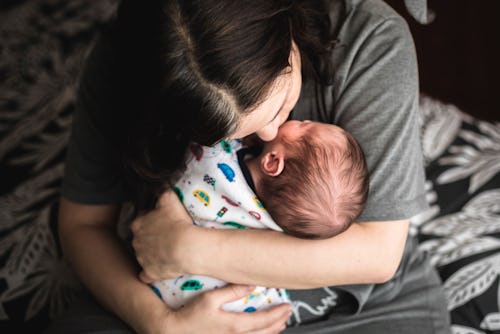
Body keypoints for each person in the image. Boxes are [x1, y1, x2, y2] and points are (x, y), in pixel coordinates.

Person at [50, 0, 451, 333]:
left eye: (279, 106)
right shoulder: (126, 60)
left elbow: (377, 256)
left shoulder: (368, 36)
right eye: (228, 137)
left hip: (355, 312)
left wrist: (183, 248)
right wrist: (160, 323)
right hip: (169, 304)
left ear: (288, 22)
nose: (273, 131)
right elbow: (83, 226)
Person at [152, 120, 369, 312]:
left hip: (169, 281)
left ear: (273, 162)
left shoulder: (214, 159)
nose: (304, 120)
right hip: (247, 307)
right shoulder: (280, 227)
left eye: (304, 127)